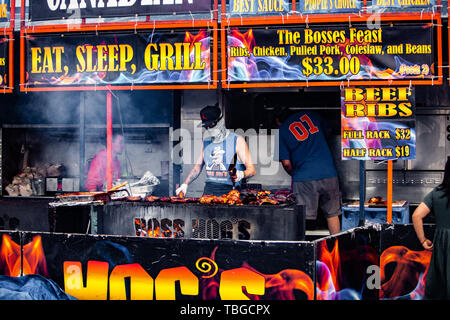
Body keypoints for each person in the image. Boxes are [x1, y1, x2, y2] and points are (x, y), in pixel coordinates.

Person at [277, 109, 341, 235]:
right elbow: (328, 131)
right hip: (329, 173)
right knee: (332, 214)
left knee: (302, 218)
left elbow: (286, 163)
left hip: (304, 178)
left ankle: (301, 251)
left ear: (277, 121)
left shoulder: (282, 130)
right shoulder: (311, 115)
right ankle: (336, 248)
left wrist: (294, 173)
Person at [176, 105, 256, 197]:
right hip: (209, 190)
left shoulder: (237, 140)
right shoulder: (206, 141)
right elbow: (197, 167)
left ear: (220, 121)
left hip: (230, 190)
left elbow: (252, 170)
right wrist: (185, 184)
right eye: (206, 126)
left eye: (211, 125)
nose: (209, 129)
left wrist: (241, 174)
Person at [412, 157, 450, 299]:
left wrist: (423, 240)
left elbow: (416, 215)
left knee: (439, 288)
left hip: (442, 245)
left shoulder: (437, 192)